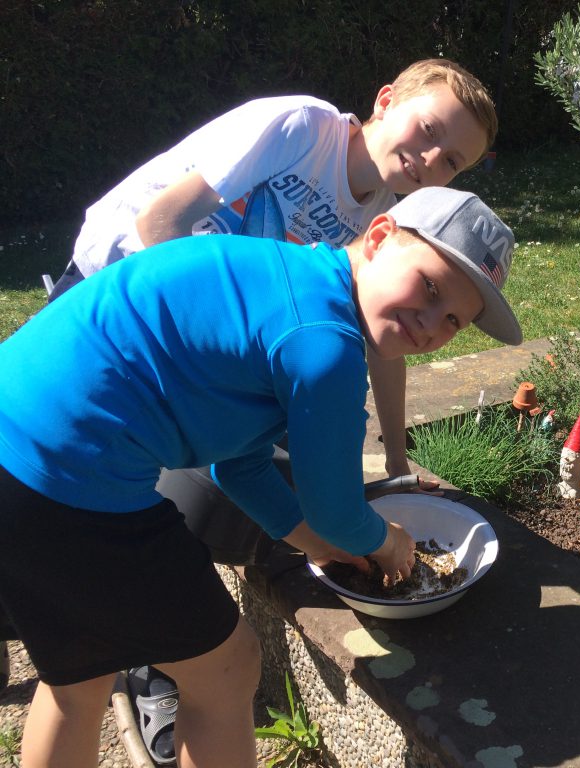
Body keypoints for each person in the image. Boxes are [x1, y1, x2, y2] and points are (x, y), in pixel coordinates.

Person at [0, 186, 521, 768]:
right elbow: (337, 511)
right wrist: (387, 541)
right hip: (69, 475)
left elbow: (237, 463)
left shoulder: (287, 278)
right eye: (430, 287)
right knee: (227, 671)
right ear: (378, 238)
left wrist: (314, 543)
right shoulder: (324, 342)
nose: (429, 324)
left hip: (14, 437)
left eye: (453, 320)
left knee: (81, 677)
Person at [50, 57, 497, 480]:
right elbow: (159, 222)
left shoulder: (380, 221)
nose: (431, 157)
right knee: (51, 449)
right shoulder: (303, 128)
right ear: (386, 101)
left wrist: (397, 462)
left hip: (185, 335)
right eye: (428, 129)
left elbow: (385, 345)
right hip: (113, 287)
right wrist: (220, 355)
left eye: (452, 161)